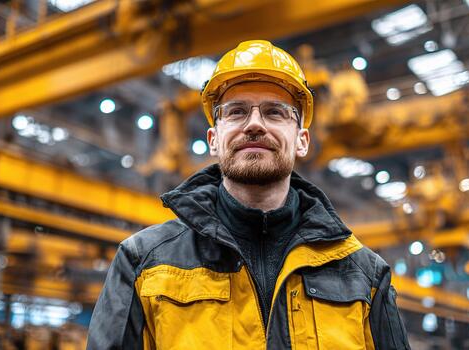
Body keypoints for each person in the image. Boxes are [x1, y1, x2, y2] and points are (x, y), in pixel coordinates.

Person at [87, 40, 410, 350]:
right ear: (214, 139)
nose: (254, 124)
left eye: (275, 112)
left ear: (302, 140)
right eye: (237, 112)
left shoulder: (364, 274)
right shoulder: (143, 262)